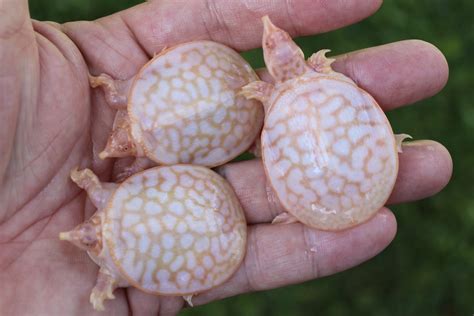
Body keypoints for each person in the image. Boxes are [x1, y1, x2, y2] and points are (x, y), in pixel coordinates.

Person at [0, 0, 452, 314]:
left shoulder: (268, 101)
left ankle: (329, 193)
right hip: (206, 160)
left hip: (224, 147)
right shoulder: (278, 96)